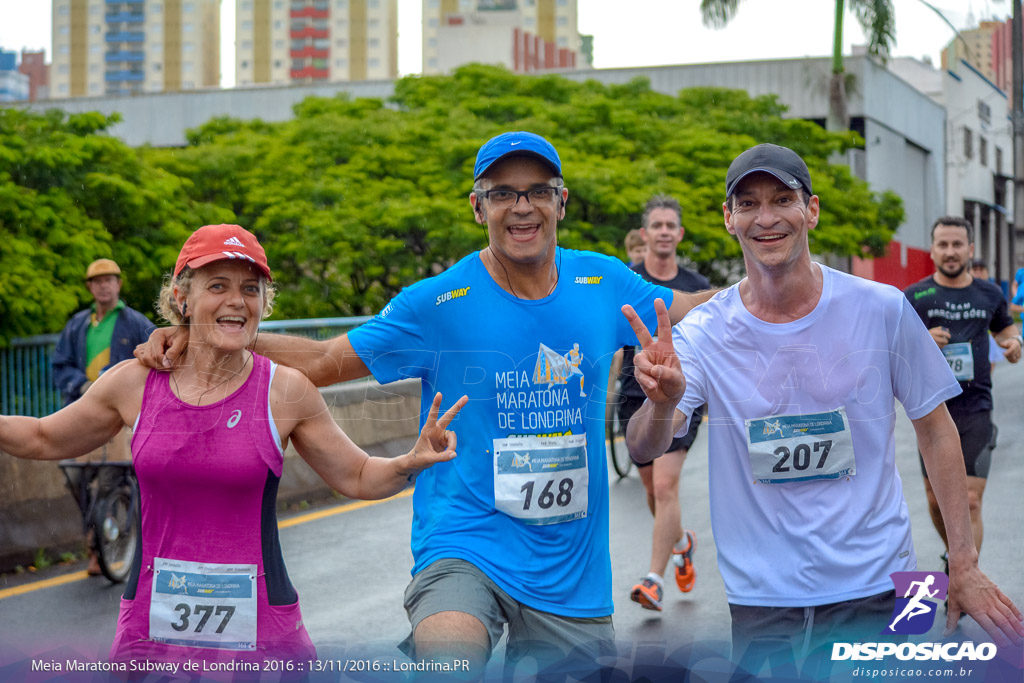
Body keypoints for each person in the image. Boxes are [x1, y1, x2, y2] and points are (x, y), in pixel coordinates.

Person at [136, 132, 714, 676]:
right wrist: (209, 332)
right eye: (502, 193)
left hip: (571, 572)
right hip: (464, 543)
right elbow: (321, 362)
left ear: (561, 203)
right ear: (476, 206)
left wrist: (791, 278)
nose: (522, 206)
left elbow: (702, 311)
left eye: (538, 191)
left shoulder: (605, 282)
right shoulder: (438, 301)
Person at [623, 143, 1024, 665]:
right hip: (762, 597)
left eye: (782, 199)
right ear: (729, 219)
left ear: (810, 209)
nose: (766, 218)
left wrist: (963, 565)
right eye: (747, 204)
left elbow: (935, 429)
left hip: (881, 580)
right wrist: (661, 403)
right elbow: (644, 444)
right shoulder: (704, 331)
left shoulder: (880, 307)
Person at [1, 224, 465, 668]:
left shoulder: (286, 391)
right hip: (150, 636)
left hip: (262, 639)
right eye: (218, 285)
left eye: (250, 289)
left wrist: (410, 461)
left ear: (264, 302)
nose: (236, 301)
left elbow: (359, 475)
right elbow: (44, 437)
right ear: (182, 298)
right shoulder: (134, 383)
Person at [904, 218, 1021, 575]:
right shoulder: (915, 296)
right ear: (933, 249)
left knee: (969, 501)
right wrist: (921, 340)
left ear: (970, 249)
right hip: (931, 409)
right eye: (943, 244)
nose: (951, 252)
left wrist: (1014, 343)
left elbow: (1006, 329)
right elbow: (893, 351)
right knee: (936, 501)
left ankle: (963, 572)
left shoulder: (989, 294)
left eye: (958, 244)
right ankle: (953, 551)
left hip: (975, 407)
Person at [619, 196, 709, 612]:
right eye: (656, 225)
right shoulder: (626, 280)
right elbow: (615, 346)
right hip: (634, 395)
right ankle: (681, 541)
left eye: (671, 225)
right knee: (653, 493)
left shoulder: (696, 287)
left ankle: (653, 579)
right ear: (645, 234)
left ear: (680, 233)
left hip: (682, 394)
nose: (664, 232)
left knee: (664, 485)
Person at [51, 258, 154, 575]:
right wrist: (80, 385)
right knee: (77, 480)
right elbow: (60, 365)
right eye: (97, 281)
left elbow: (155, 361)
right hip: (83, 414)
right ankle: (101, 533)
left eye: (110, 280)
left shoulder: (136, 323)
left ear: (119, 285)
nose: (104, 286)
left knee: (110, 480)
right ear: (90, 287)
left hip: (121, 420)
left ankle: (100, 547)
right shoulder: (78, 326)